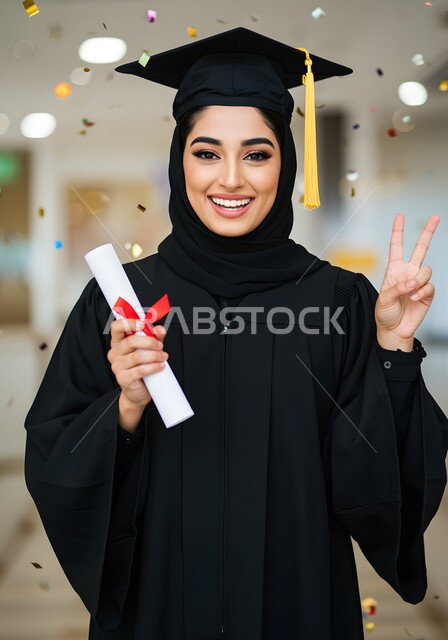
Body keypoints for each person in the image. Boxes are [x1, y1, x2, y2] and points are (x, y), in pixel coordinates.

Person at [24, 27, 448, 640]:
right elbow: (54, 457)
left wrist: (393, 349)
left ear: (286, 162)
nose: (230, 180)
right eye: (206, 152)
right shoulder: (122, 301)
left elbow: (382, 484)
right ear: (180, 160)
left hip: (297, 599)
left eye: (256, 153)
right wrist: (125, 408)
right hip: (162, 603)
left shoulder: (339, 299)